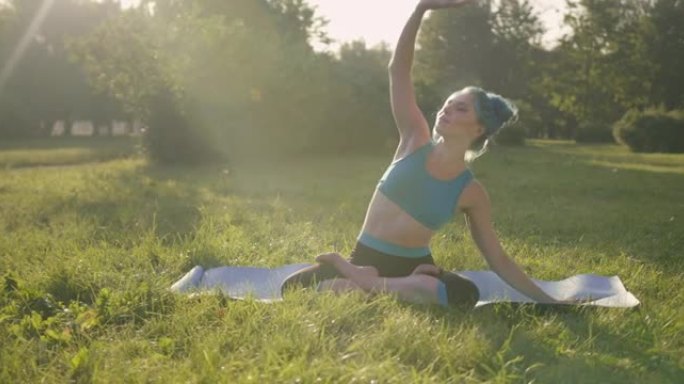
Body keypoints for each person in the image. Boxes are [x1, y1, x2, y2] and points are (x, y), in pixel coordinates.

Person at [282, 0, 561, 307]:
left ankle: (367, 282)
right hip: (365, 258)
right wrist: (419, 11)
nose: (446, 110)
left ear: (479, 129)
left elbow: (498, 259)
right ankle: (379, 281)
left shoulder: (471, 192)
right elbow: (398, 71)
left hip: (412, 268)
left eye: (460, 108)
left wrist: (548, 300)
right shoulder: (414, 137)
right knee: (293, 289)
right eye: (448, 103)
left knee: (465, 294)